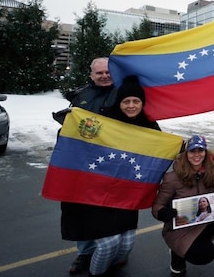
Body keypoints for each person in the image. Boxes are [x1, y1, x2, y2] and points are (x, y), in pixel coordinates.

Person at [60, 75, 160, 277]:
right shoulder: (104, 120)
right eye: (126, 101)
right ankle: (93, 266)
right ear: (119, 102)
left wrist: (191, 151)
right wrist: (70, 121)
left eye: (136, 101)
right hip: (98, 191)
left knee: (126, 245)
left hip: (127, 192)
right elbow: (79, 140)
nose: (131, 106)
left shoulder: (149, 125)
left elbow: (161, 148)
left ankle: (111, 263)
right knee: (107, 244)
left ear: (142, 103)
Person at [152, 135, 214, 274]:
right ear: (186, 154)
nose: (197, 155)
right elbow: (157, 207)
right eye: (192, 151)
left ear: (205, 152)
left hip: (205, 220)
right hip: (180, 229)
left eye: (200, 151)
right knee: (205, 254)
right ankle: (177, 253)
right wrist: (163, 213)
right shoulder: (172, 178)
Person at [57, 57, 117, 275]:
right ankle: (85, 252)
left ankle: (114, 251)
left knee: (109, 209)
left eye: (107, 72)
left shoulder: (123, 94)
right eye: (99, 73)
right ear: (91, 75)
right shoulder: (81, 96)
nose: (104, 76)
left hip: (111, 164)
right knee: (80, 209)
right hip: (81, 164)